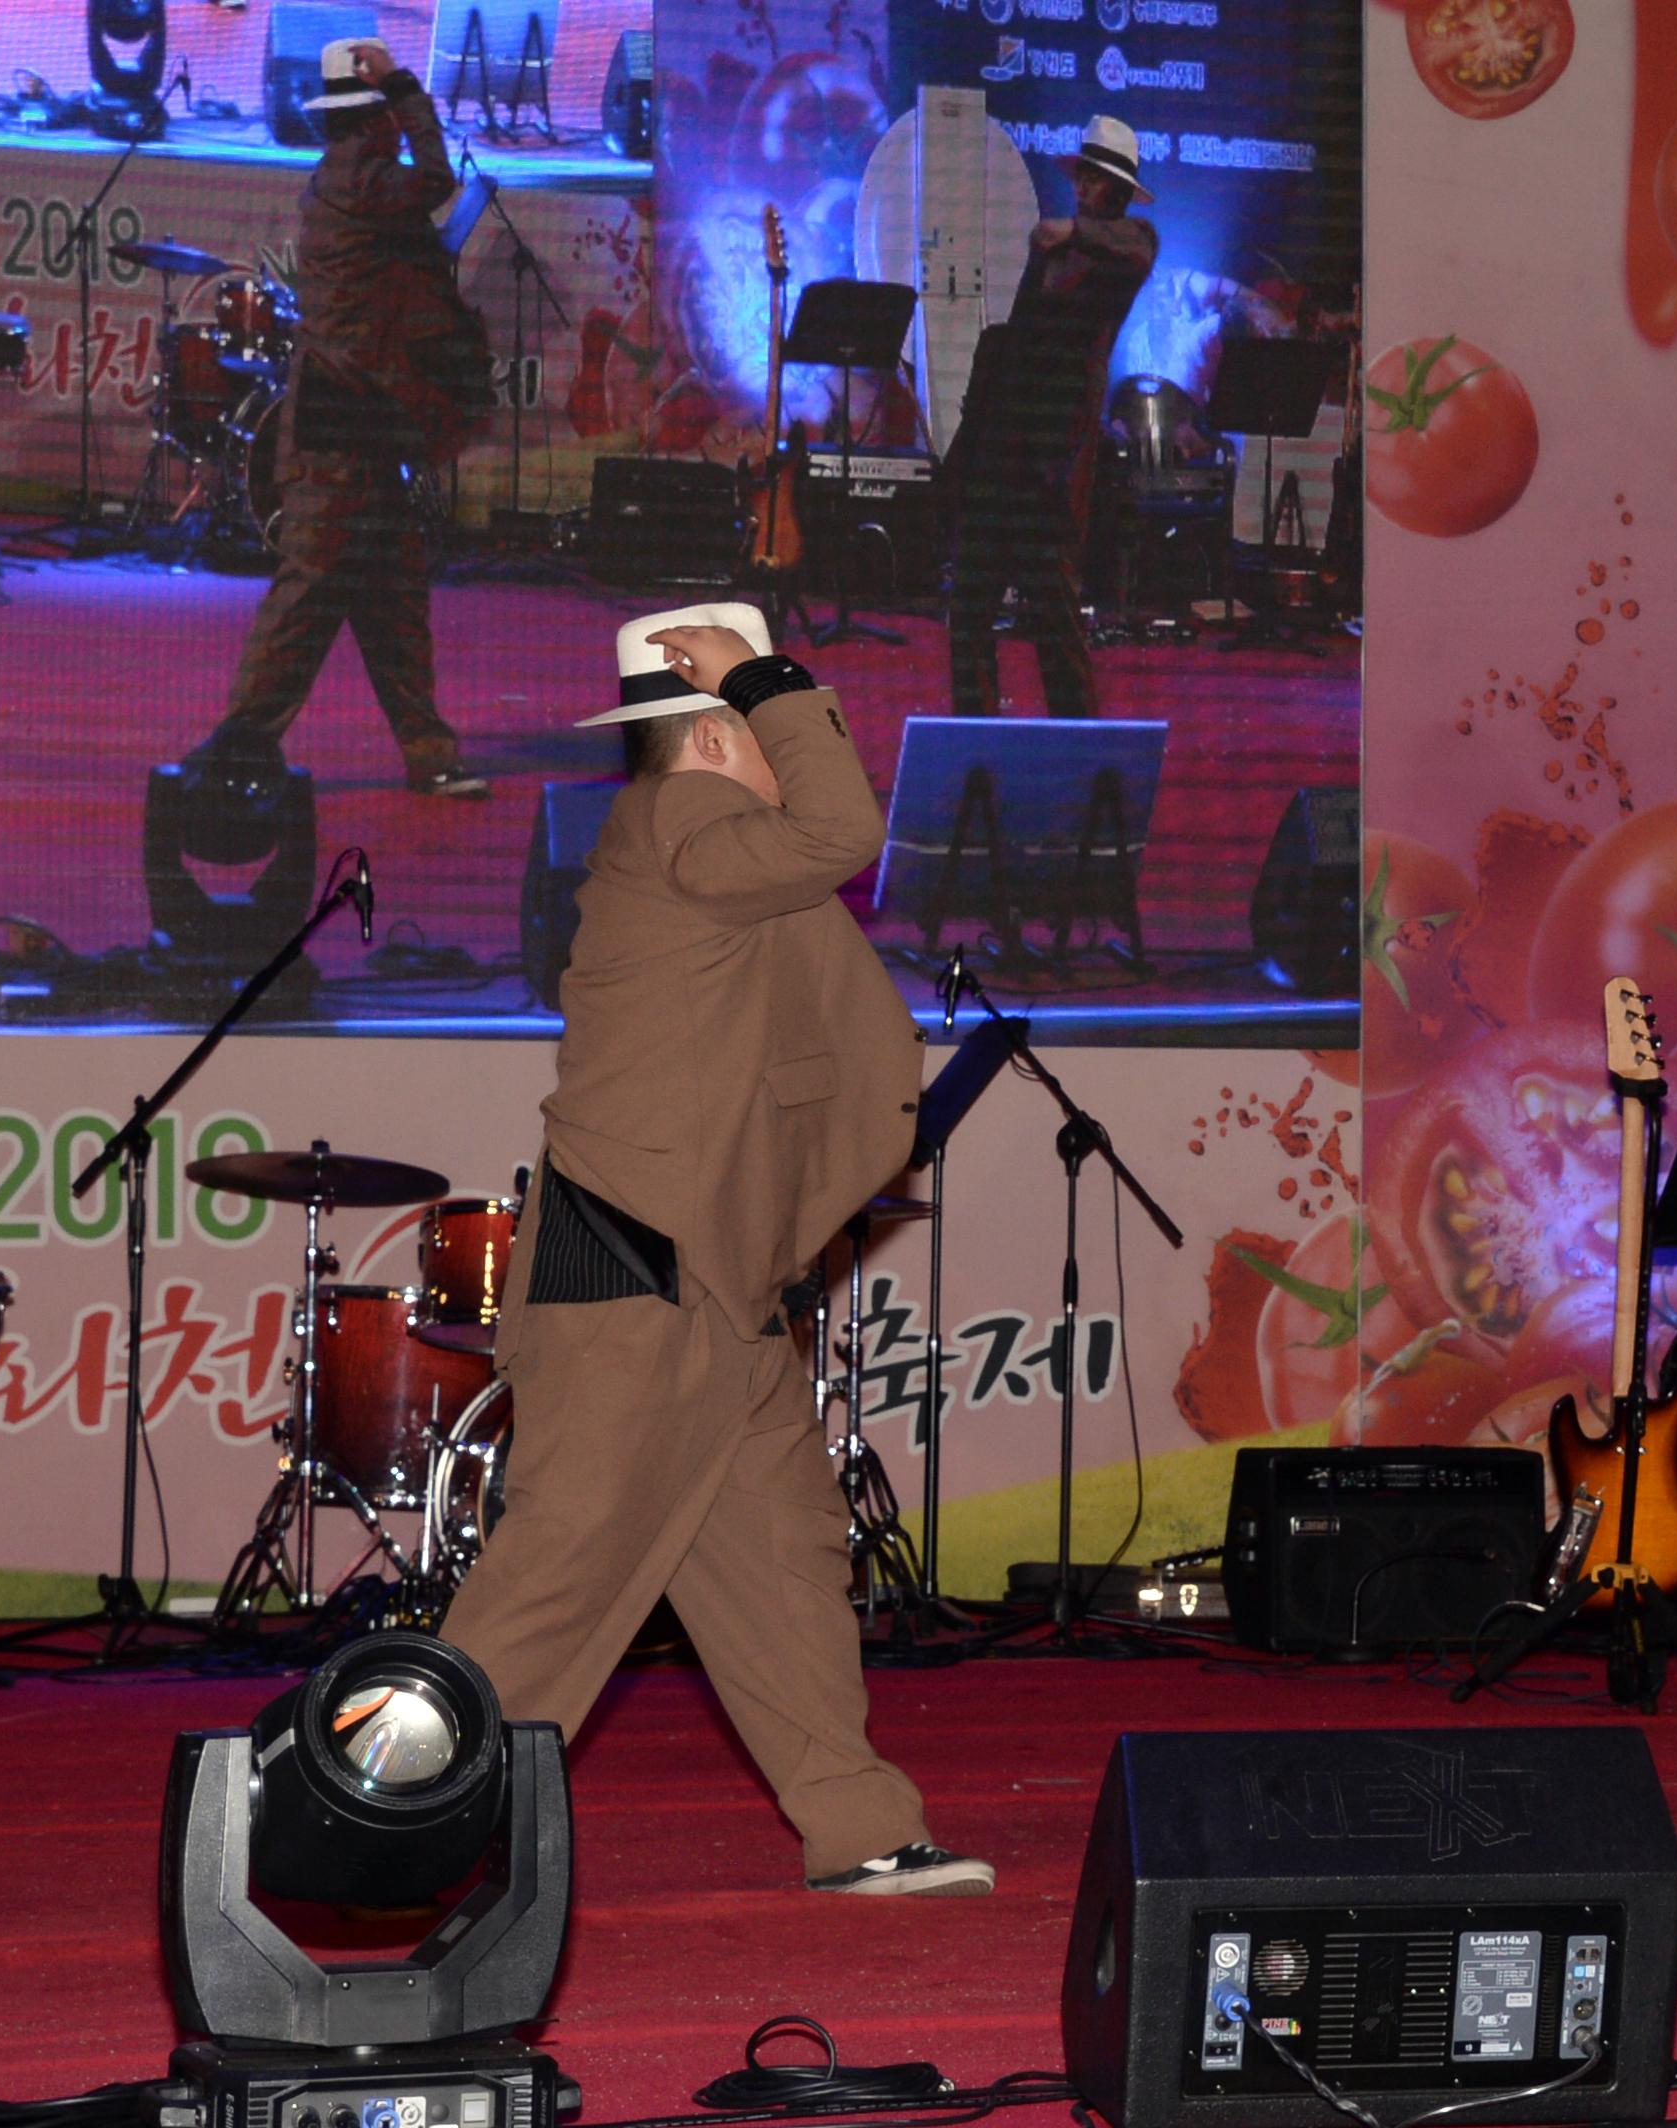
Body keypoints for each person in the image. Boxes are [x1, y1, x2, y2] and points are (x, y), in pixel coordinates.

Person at [442, 603, 988, 1896]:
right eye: (779, 721)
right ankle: (398, 1818)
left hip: (706, 1271)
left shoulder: (720, 858)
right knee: (559, 1574)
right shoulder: (685, 824)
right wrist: (764, 676)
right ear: (711, 731)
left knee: (780, 1559)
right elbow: (846, 826)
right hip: (633, 1262)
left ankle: (857, 1822)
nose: (813, 736)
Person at [198, 38, 485, 799]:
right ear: (374, 117)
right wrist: (403, 81)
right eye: (388, 111)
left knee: (391, 595)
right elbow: (435, 176)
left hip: (359, 426)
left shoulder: (351, 178)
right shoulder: (365, 177)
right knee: (309, 595)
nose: (397, 122)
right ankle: (232, 753)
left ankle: (429, 752)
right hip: (340, 431)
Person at [943, 116, 1159, 720]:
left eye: (1097, 180)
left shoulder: (1128, 242)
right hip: (1005, 444)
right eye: (1084, 177)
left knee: (1052, 611)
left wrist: (1074, 232)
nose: (1085, 188)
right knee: (970, 603)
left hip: (1055, 459)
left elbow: (1133, 249)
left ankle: (1077, 740)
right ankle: (972, 731)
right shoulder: (1057, 250)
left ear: (1113, 189)